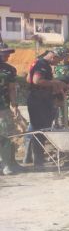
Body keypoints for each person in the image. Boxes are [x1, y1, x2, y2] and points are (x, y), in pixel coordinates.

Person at [25, 50, 67, 167]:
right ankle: (38, 162)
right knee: (41, 130)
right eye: (58, 60)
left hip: (36, 98)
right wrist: (55, 82)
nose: (58, 63)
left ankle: (28, 158)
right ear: (54, 56)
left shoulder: (37, 62)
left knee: (34, 128)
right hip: (40, 100)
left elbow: (28, 79)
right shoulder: (43, 65)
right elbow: (36, 80)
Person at [0, 43, 19, 175]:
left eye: (8, 53)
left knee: (7, 135)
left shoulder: (10, 69)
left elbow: (12, 89)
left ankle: (7, 164)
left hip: (4, 107)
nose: (7, 55)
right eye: (4, 53)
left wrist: (14, 105)